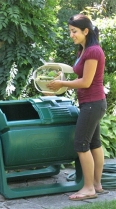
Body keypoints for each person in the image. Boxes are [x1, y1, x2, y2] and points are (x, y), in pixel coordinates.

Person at [47, 14, 107, 201]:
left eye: (74, 31)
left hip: (92, 104)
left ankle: (88, 188)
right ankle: (96, 184)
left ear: (85, 31)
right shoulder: (84, 50)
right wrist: (62, 77)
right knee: (94, 144)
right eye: (70, 31)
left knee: (81, 145)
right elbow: (77, 73)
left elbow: (86, 81)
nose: (71, 35)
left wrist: (61, 85)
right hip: (93, 104)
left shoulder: (93, 51)